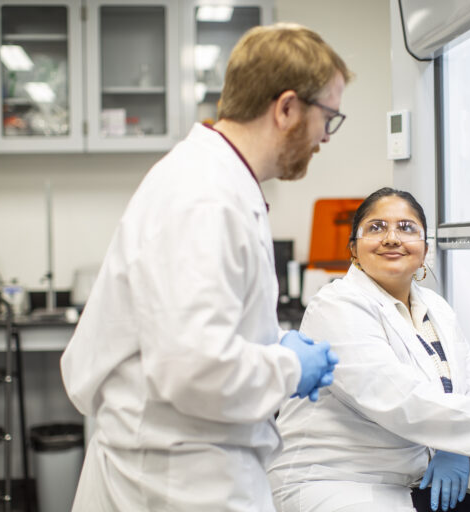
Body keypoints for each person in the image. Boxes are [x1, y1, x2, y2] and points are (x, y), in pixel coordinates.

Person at [60, 23, 349, 511]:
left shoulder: (220, 179)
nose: (325, 135)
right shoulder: (205, 197)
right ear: (286, 108)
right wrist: (289, 365)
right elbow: (193, 368)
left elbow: (201, 328)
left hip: (186, 462)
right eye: (329, 117)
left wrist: (274, 342)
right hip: (174, 478)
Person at [267, 188, 470, 512]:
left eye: (407, 228)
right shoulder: (336, 306)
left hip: (409, 484)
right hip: (336, 486)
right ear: (353, 249)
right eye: (376, 227)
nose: (392, 238)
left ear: (424, 250)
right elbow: (398, 400)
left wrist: (461, 449)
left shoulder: (436, 308)